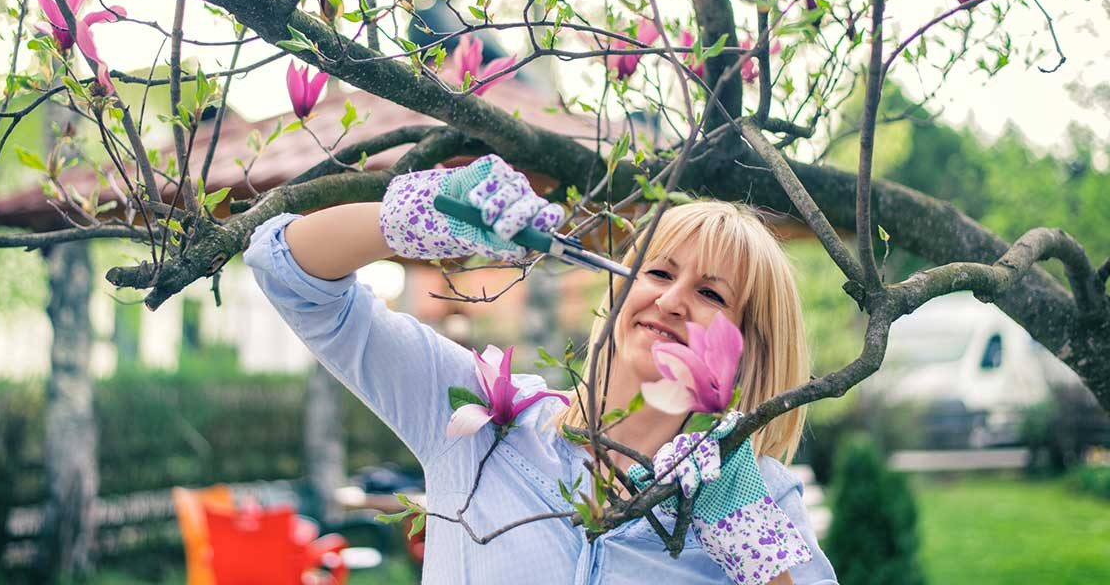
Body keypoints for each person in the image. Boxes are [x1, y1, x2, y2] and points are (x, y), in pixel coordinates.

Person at [244, 154, 838, 585]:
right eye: (658, 273)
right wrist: (421, 216)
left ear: (749, 348)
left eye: (711, 294)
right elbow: (287, 274)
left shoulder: (752, 496)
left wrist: (755, 552)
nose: (672, 299)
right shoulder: (477, 420)